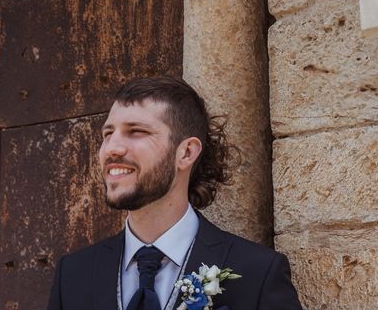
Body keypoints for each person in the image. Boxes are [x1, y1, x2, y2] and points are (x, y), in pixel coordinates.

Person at [47, 76, 302, 310]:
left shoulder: (257, 271)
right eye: (108, 133)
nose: (111, 148)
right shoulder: (72, 274)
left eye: (137, 131)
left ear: (187, 152)